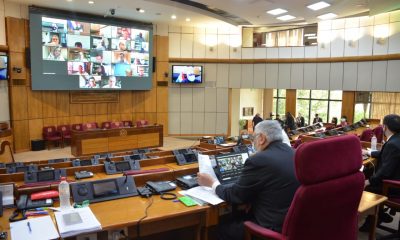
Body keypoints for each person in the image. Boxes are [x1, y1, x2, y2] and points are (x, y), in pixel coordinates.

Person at [197, 120, 299, 240]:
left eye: (254, 137)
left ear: (261, 138)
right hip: (294, 225)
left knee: (219, 229)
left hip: (270, 227)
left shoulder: (259, 160)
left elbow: (235, 195)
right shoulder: (295, 153)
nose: (253, 141)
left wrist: (212, 183)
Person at [360, 114, 400, 231]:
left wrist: (369, 181)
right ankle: (380, 214)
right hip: (397, 178)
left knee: (366, 187)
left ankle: (373, 220)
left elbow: (385, 172)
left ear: (385, 127)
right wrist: (369, 153)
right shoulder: (397, 140)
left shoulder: (393, 143)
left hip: (394, 186)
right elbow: (389, 156)